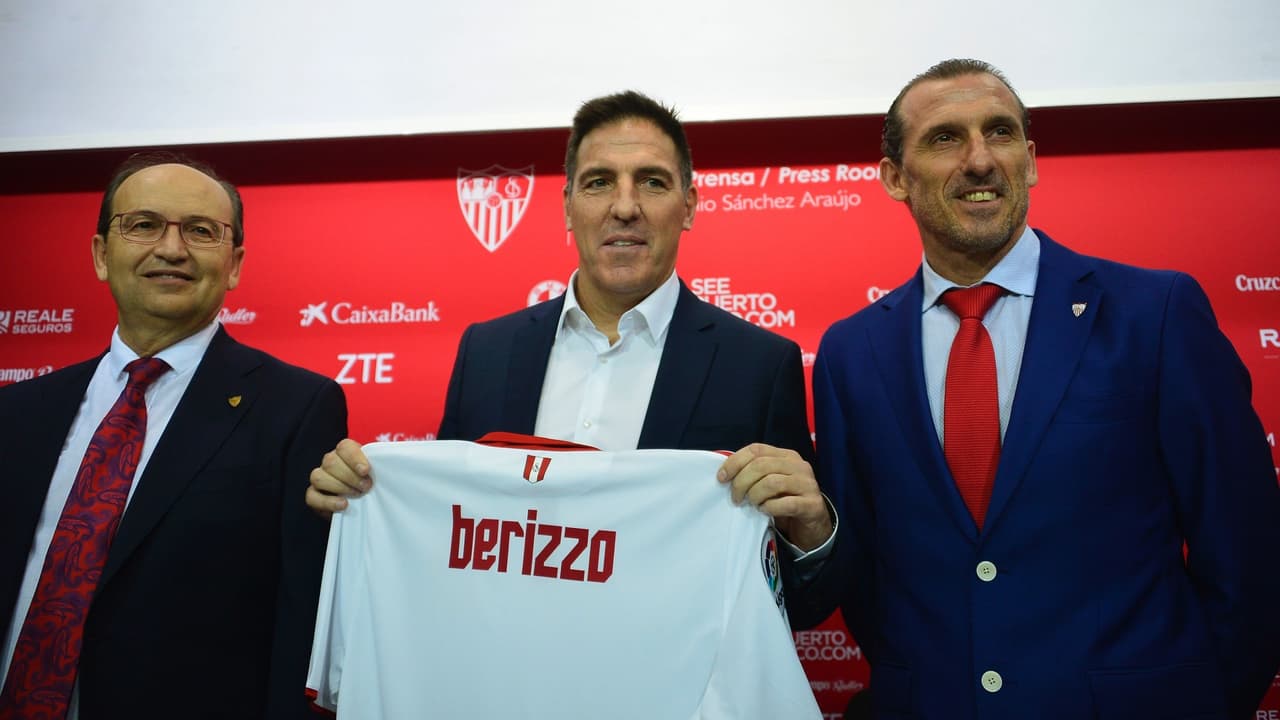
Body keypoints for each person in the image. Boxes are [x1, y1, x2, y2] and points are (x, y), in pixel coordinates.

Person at [787, 58, 1280, 718]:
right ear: (895, 178)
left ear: (1032, 159)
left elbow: (1247, 553)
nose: (980, 160)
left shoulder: (1154, 313)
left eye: (1001, 132)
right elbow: (867, 574)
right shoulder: (852, 351)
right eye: (945, 138)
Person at [308, 91, 834, 556]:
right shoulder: (486, 353)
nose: (624, 207)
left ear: (689, 206)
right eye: (599, 182)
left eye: (651, 182)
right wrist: (362, 505)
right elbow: (440, 530)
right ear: (567, 206)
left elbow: (795, 598)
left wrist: (807, 534)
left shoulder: (760, 366)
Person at [0, 154, 348, 719]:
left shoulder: (297, 408)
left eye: (201, 231)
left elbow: (300, 620)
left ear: (234, 265)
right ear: (101, 255)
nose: (171, 249)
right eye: (143, 225)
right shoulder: (18, 410)